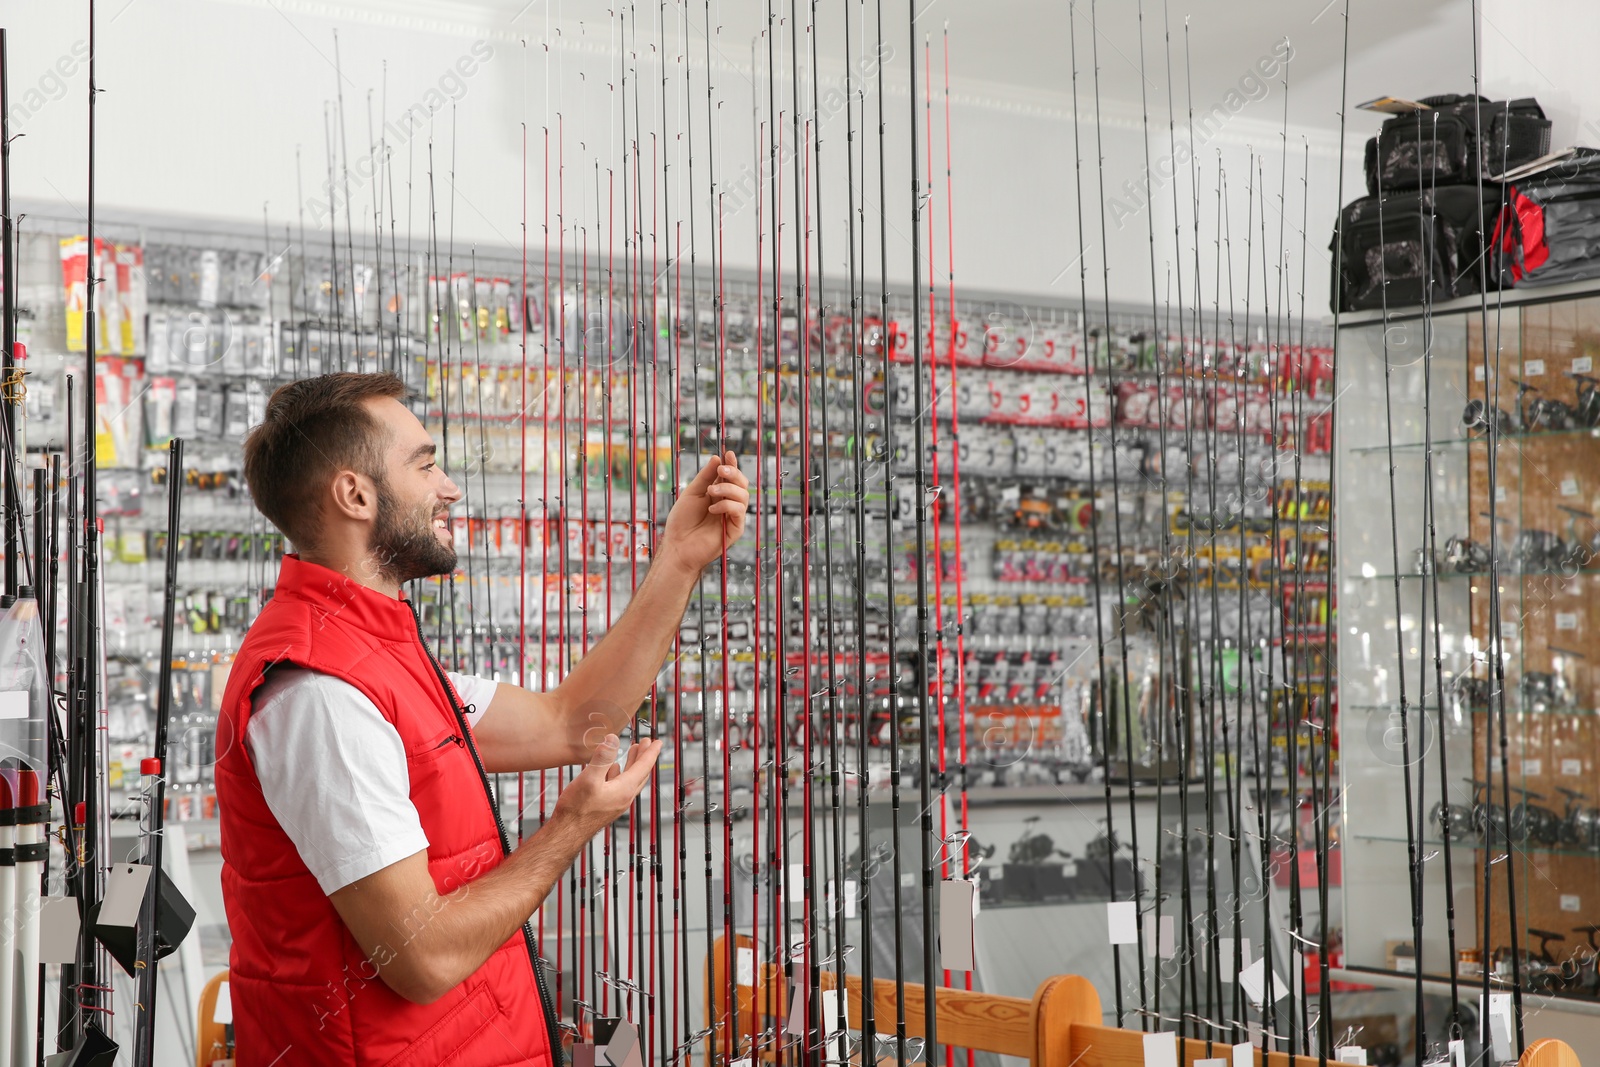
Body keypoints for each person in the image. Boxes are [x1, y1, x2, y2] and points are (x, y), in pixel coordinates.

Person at [213, 371, 749, 1066]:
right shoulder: (321, 692)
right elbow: (423, 955)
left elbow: (572, 720)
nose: (450, 487)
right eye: (426, 463)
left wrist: (679, 559)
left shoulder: (379, 655)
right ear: (355, 494)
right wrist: (571, 826)